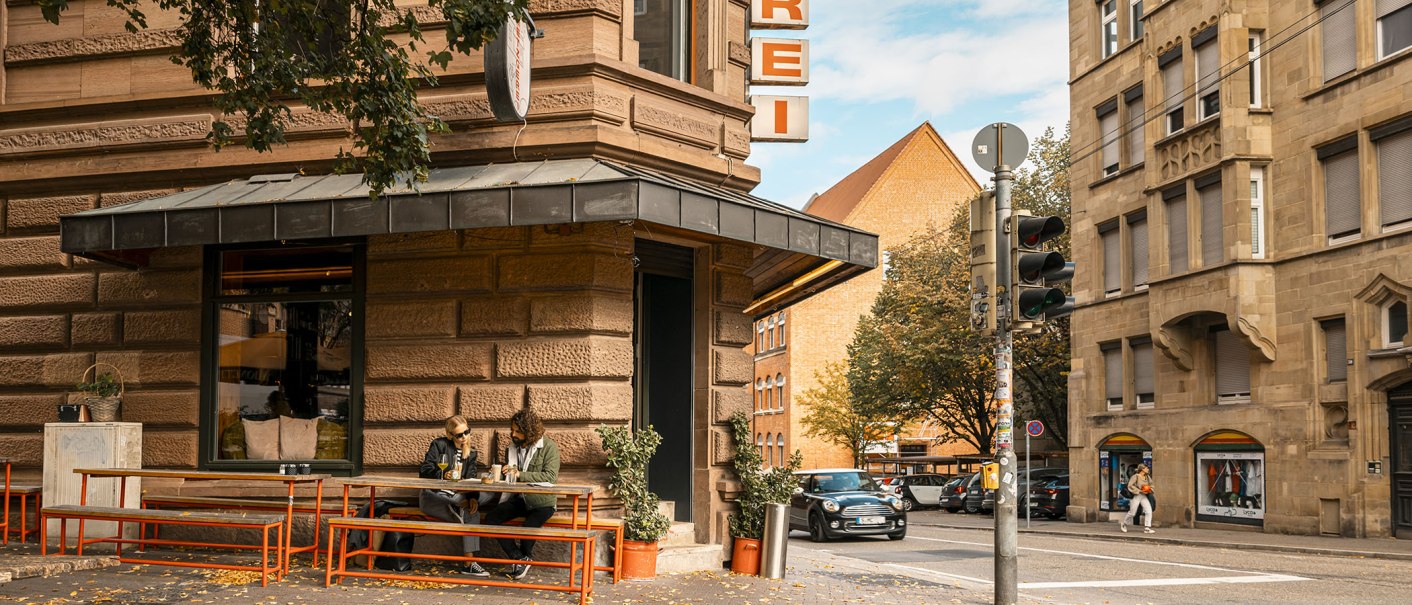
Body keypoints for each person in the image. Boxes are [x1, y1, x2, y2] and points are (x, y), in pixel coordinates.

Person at [483, 407, 560, 580]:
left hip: (543, 502)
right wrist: (500, 473)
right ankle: (519, 558)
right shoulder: (512, 448)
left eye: (518, 431)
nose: (513, 434)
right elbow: (510, 473)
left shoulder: (548, 447)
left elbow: (550, 477)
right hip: (520, 498)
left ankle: (523, 560)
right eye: (512, 429)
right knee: (491, 519)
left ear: (529, 431)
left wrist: (519, 474)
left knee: (527, 528)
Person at [419, 415, 493, 577]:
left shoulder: (471, 454)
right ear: (449, 435)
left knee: (474, 508)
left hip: (458, 497)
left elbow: (471, 479)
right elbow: (424, 470)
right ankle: (459, 506)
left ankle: (469, 564)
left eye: (466, 432)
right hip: (434, 497)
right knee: (462, 504)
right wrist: (443, 474)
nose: (464, 437)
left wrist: (473, 497)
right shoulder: (439, 445)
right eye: (459, 435)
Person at [1120, 463, 1155, 534]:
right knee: (1132, 513)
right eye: (1146, 468)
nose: (1148, 469)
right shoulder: (1135, 476)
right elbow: (1130, 485)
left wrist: (1150, 489)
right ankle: (1124, 524)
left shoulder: (1147, 477)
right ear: (1142, 469)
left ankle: (1147, 528)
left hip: (1144, 496)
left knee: (1148, 511)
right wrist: (1139, 490)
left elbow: (1151, 484)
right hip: (1136, 495)